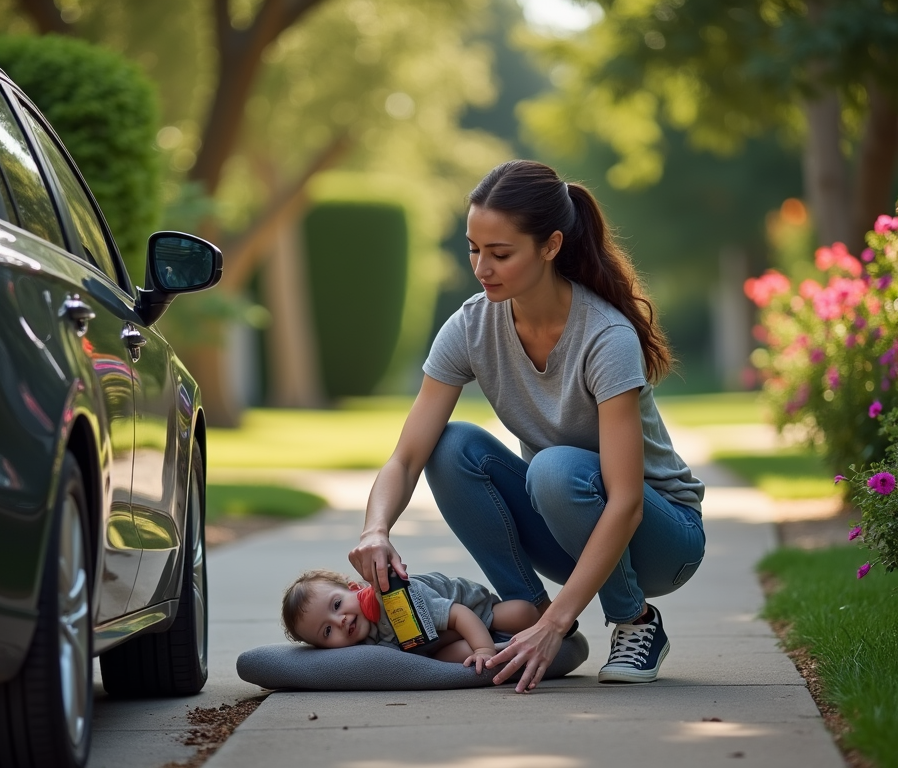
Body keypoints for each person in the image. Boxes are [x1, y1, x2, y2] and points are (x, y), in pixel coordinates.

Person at [348, 159, 706, 694]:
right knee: (450, 446)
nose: (481, 268)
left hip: (662, 537)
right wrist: (375, 529)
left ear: (551, 246)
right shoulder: (472, 325)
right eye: (473, 248)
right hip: (569, 524)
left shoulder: (605, 336)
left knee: (555, 470)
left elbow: (628, 499)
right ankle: (533, 623)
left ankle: (634, 622)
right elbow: (406, 457)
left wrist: (567, 612)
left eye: (500, 253)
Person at [282, 569, 539, 672]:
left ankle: (520, 626)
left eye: (337, 605)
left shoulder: (396, 599)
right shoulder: (363, 645)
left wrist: (484, 650)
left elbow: (459, 614)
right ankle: (490, 643)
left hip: (467, 609)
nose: (340, 621)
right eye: (327, 631)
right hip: (437, 641)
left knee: (521, 614)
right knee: (455, 657)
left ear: (354, 588)